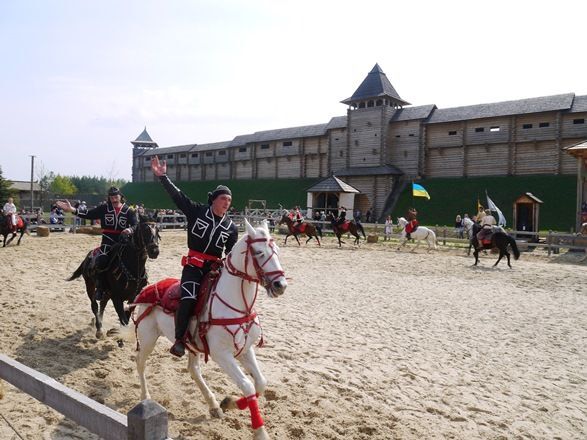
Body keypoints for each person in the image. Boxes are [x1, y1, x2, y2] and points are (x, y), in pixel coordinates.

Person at [151, 155, 238, 358]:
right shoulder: (196, 211)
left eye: (229, 200)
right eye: (223, 198)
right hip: (193, 268)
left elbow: (231, 253)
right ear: (214, 200)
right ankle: (180, 340)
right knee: (189, 297)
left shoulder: (231, 228)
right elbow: (178, 196)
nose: (227, 202)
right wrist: (163, 177)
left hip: (214, 270)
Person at [56, 187, 137, 301]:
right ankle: (100, 288)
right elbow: (88, 214)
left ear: (120, 196)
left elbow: (135, 225)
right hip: (108, 240)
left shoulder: (129, 211)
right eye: (112, 197)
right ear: (109, 198)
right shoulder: (104, 208)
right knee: (101, 260)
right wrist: (72, 209)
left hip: (123, 241)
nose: (114, 199)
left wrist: (130, 230)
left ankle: (139, 284)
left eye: (116, 196)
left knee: (136, 259)